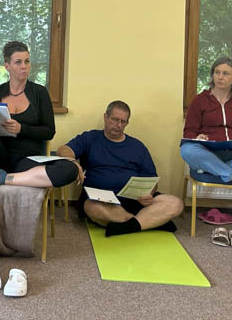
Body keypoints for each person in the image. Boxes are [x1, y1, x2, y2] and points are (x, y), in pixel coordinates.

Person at [0, 41, 78, 260]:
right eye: (18, 62)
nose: (24, 66)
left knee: (68, 169)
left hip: (26, 160)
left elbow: (49, 131)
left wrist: (21, 128)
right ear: (7, 66)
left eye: (27, 61)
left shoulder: (39, 93)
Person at [58, 100, 183, 237]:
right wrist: (73, 162)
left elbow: (151, 179)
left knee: (175, 203)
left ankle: (127, 225)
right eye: (115, 120)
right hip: (102, 200)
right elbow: (63, 149)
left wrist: (149, 194)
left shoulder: (137, 146)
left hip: (135, 200)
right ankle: (148, 222)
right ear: (106, 117)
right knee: (91, 207)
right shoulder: (90, 138)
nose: (118, 125)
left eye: (123, 122)